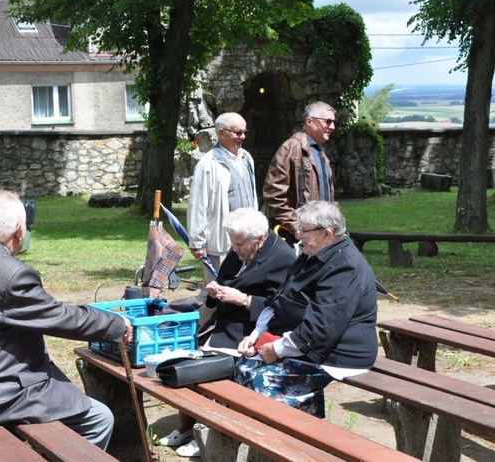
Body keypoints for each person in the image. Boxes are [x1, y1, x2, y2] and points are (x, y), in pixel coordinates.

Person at [0, 190, 132, 450]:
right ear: (19, 231)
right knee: (98, 417)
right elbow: (58, 317)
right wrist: (115, 324)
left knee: (62, 387)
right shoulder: (9, 274)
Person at [159, 208, 295, 457]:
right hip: (222, 323)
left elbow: (284, 308)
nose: (235, 248)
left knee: (207, 369)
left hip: (250, 331)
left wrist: (244, 299)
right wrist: (215, 291)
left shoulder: (283, 258)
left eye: (240, 244)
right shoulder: (240, 247)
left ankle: (209, 430)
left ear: (260, 239)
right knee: (187, 363)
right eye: (233, 242)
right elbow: (226, 281)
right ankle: (187, 428)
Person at [235, 201, 378, 417]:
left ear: (327, 234)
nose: (299, 235)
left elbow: (321, 328)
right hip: (309, 347)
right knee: (242, 367)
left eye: (304, 230)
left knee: (259, 383)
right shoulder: (313, 252)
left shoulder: (345, 266)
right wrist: (257, 335)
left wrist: (277, 349)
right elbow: (281, 298)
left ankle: (291, 441)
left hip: (339, 355)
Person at [187, 112, 258, 288]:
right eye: (237, 132)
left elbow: (252, 194)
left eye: (244, 132)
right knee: (217, 292)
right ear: (221, 133)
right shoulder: (208, 164)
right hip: (222, 244)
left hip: (248, 240)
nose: (242, 137)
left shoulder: (246, 158)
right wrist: (197, 242)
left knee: (245, 288)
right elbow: (197, 205)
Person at [262, 101, 338, 246]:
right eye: (328, 122)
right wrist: (295, 225)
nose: (332, 127)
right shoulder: (291, 148)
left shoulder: (319, 150)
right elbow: (273, 194)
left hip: (320, 232)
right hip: (298, 236)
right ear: (309, 121)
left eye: (333, 122)